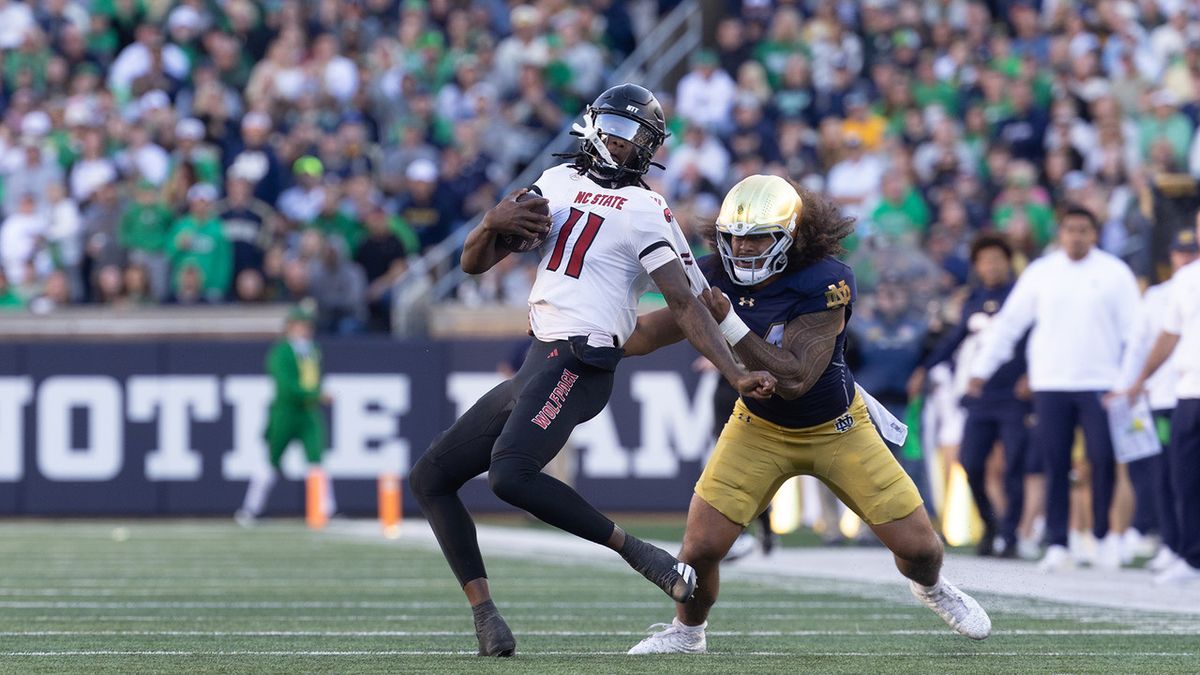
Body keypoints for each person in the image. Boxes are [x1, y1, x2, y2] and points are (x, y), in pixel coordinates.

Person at [407, 84, 776, 658]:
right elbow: (473, 265)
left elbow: (684, 301)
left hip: (582, 359)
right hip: (541, 357)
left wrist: (732, 370)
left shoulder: (645, 208)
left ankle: (644, 555)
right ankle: (486, 617)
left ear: (647, 147)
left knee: (510, 474)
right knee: (430, 477)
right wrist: (489, 222)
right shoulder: (554, 183)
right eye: (608, 126)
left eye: (629, 134)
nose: (614, 140)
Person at [622, 175, 991, 655]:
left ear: (790, 237)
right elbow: (654, 332)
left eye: (757, 236)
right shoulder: (713, 272)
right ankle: (688, 632)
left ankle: (932, 587)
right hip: (757, 427)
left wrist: (728, 321)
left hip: (838, 427)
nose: (743, 248)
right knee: (699, 551)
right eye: (734, 236)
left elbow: (797, 378)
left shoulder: (826, 278)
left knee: (921, 549)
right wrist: (585, 337)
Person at [969, 206, 1140, 572]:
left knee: (1102, 460)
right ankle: (1059, 542)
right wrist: (982, 368)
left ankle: (1104, 536)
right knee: (1054, 462)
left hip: (1101, 382)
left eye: (1084, 230)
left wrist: (1126, 382)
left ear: (1094, 234)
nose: (1077, 236)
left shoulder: (1114, 273)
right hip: (1051, 382)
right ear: (1060, 235)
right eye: (1070, 230)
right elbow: (1010, 324)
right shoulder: (1041, 273)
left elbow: (1135, 334)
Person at [909, 234, 1032, 558]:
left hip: (1014, 394)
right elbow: (954, 339)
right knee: (971, 462)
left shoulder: (1023, 298)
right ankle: (991, 523)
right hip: (979, 394)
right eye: (985, 260)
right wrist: (925, 367)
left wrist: (1031, 375)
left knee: (1013, 465)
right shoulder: (974, 299)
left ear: (1008, 262)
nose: (991, 265)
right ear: (977, 266)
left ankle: (1011, 535)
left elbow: (1038, 338)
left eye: (997, 259)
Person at [1119, 215, 1200, 586]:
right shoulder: (1185, 280)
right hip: (1188, 390)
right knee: (1185, 478)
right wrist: (1140, 378)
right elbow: (1169, 336)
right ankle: (1191, 555)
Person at [235, 300, 335, 526]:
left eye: (308, 326)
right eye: (300, 325)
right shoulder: (280, 352)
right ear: (290, 327)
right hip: (285, 412)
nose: (305, 330)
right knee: (271, 460)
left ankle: (324, 510)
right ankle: (251, 509)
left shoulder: (314, 351)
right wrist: (317, 394)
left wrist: (315, 395)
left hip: (309, 413)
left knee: (316, 460)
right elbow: (287, 387)